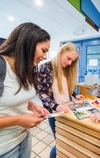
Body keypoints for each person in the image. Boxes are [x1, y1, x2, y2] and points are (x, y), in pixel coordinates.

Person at [0, 22, 50, 158]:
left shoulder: (25, 68)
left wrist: (33, 106)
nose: (45, 56)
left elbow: (10, 97)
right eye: (43, 50)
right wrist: (18, 120)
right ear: (28, 44)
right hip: (4, 148)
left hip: (23, 138)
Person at [37, 42, 85, 158]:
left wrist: (75, 94)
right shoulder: (45, 67)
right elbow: (41, 92)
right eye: (68, 59)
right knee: (60, 143)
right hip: (55, 113)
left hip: (68, 110)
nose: (69, 63)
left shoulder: (67, 69)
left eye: (72, 61)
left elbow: (66, 87)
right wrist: (55, 106)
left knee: (69, 142)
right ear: (61, 52)